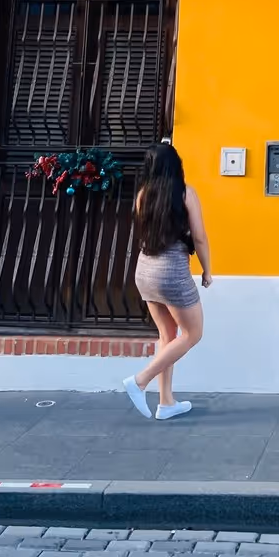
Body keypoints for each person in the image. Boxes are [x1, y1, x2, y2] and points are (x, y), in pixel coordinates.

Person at [123, 140, 212, 420]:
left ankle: (166, 402)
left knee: (167, 336)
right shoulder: (185, 194)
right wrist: (207, 270)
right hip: (171, 272)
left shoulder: (142, 195)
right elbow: (198, 237)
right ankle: (140, 380)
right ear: (176, 165)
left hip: (144, 270)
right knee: (192, 334)